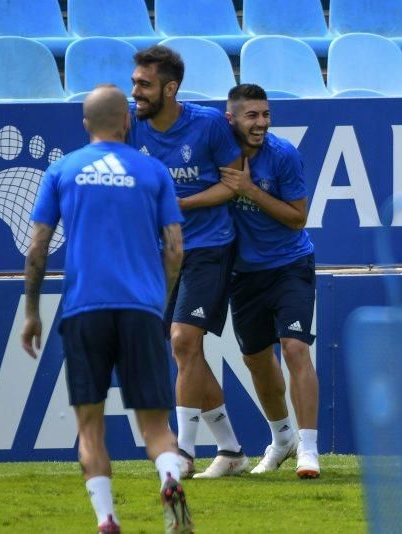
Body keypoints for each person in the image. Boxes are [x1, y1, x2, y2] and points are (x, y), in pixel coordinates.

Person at [21, 85, 193, 533]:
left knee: (90, 427)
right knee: (156, 427)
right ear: (126, 122)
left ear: (85, 124)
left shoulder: (61, 170)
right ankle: (170, 476)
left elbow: (38, 247)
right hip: (140, 308)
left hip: (84, 310)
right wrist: (158, 297)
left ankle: (106, 518)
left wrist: (32, 311)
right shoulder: (154, 171)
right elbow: (175, 249)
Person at [128, 45, 247, 479]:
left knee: (182, 341)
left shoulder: (210, 125)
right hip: (161, 256)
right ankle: (232, 451)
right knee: (187, 354)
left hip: (209, 247)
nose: (135, 91)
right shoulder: (129, 125)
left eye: (144, 84)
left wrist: (182, 203)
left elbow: (233, 185)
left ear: (170, 88)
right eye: (135, 82)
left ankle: (182, 452)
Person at [218, 84, 320, 478]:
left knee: (295, 348)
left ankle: (308, 450)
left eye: (265, 114)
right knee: (256, 360)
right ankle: (282, 440)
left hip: (290, 264)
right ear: (232, 119)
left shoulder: (283, 155)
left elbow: (297, 217)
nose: (260, 123)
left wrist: (247, 190)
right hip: (244, 274)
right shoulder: (218, 154)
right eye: (251, 115)